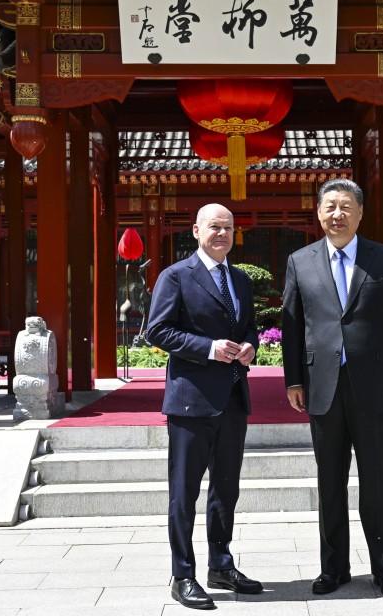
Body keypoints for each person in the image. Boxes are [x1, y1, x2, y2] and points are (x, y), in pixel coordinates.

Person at [282, 178, 383, 599]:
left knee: (377, 478)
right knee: (330, 480)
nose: (337, 214)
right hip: (322, 385)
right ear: (318, 213)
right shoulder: (300, 261)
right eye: (330, 207)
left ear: (360, 213)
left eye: (345, 207)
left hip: (374, 383)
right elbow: (292, 325)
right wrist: (293, 379)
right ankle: (334, 568)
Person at [146, 204, 262, 610]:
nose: (222, 234)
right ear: (196, 231)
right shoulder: (176, 275)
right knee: (184, 493)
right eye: (214, 227)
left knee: (226, 489)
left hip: (233, 397)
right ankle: (183, 574)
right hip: (191, 401)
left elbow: (249, 327)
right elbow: (157, 330)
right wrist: (208, 348)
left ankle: (221, 565)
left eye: (228, 228)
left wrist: (251, 346)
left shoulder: (240, 279)